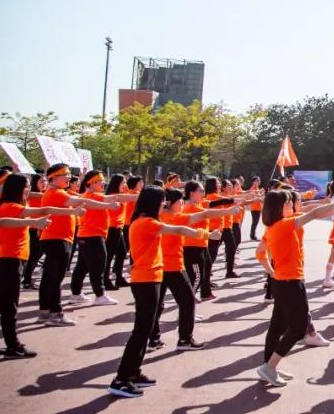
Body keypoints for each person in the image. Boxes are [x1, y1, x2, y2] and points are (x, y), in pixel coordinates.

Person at [107, 186, 214, 398]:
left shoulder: (143, 221)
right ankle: (121, 379)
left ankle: (133, 373)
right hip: (146, 280)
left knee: (144, 330)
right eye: (162, 202)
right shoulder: (147, 222)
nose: (164, 206)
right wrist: (206, 234)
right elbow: (179, 230)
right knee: (141, 331)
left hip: (149, 278)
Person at [255, 190, 334, 387]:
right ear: (278, 207)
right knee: (298, 329)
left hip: (281, 282)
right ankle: (269, 367)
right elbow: (314, 213)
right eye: (288, 203)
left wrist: (271, 271)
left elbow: (259, 253)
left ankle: (268, 366)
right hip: (290, 283)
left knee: (277, 327)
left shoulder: (272, 227)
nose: (291, 205)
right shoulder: (283, 225)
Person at [0, 175, 51, 359]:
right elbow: (43, 210)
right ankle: (12, 346)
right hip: (9, 262)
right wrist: (37, 221)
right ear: (16, 188)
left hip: (9, 261)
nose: (28, 190)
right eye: (26, 186)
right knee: (9, 306)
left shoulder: (12, 205)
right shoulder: (11, 207)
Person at [151, 188, 234, 351]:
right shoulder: (175, 217)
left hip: (159, 265)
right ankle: (184, 340)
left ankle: (153, 339)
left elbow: (203, 214)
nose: (182, 204)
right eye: (180, 201)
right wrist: (224, 215)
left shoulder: (156, 217)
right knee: (188, 301)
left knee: (158, 304)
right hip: (173, 266)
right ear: (170, 203)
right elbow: (203, 215)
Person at [38, 164, 118, 326]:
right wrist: (107, 205)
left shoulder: (56, 192)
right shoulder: (56, 193)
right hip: (58, 240)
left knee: (50, 277)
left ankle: (45, 311)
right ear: (53, 178)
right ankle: (56, 314)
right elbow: (83, 202)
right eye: (65, 175)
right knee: (55, 278)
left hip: (56, 239)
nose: (69, 177)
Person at [70, 170, 136, 307]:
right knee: (97, 266)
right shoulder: (93, 195)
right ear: (91, 183)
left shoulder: (92, 195)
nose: (103, 183)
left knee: (82, 267)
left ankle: (76, 294)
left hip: (87, 235)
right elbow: (116, 197)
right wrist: (138, 196)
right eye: (100, 181)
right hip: (92, 236)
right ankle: (100, 295)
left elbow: (115, 197)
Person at [21, 173, 47, 289]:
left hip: (39, 228)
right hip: (33, 228)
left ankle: (27, 278)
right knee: (33, 255)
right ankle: (27, 279)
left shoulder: (42, 194)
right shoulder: (32, 195)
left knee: (36, 255)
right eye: (41, 181)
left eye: (45, 181)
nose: (44, 183)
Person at [248, 176, 263, 241]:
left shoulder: (257, 188)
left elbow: (259, 196)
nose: (258, 182)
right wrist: (261, 193)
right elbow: (256, 196)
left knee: (255, 222)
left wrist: (261, 192)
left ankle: (253, 235)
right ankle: (252, 236)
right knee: (254, 222)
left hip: (258, 208)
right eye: (256, 180)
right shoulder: (252, 188)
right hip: (254, 208)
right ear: (253, 182)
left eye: (258, 180)